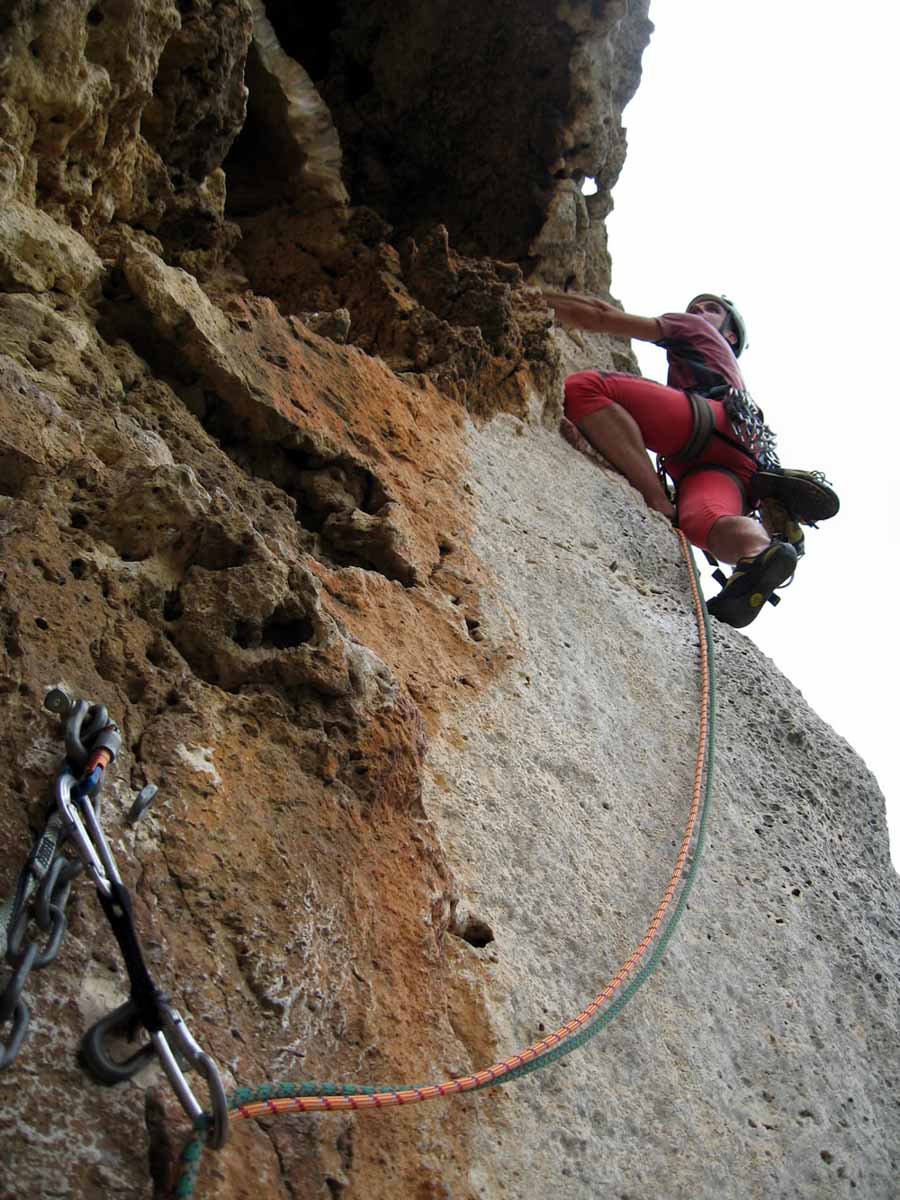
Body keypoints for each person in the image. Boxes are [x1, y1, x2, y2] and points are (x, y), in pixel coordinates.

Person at [542, 290, 838, 628]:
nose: (698, 309)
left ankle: (657, 499)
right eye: (696, 306)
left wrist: (537, 300)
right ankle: (759, 552)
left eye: (711, 308)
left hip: (704, 422)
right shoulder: (729, 369)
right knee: (703, 523)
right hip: (737, 462)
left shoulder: (693, 328)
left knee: (585, 388)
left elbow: (599, 315)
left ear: (729, 335)